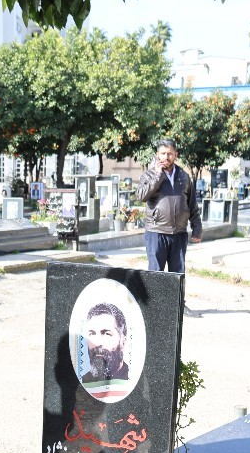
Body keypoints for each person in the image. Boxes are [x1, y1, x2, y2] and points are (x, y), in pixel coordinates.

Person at [136, 138, 202, 274]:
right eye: (163, 153)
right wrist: (158, 175)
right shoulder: (149, 175)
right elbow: (141, 196)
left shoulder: (184, 176)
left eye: (170, 154)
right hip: (156, 232)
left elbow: (192, 204)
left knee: (177, 275)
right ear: (157, 154)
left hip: (179, 233)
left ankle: (177, 291)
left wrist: (197, 228)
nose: (166, 157)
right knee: (155, 274)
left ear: (175, 155)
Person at [80, 303, 129, 384]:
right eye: (92, 333)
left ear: (123, 342)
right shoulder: (83, 381)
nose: (97, 343)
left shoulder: (131, 378)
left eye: (107, 334)